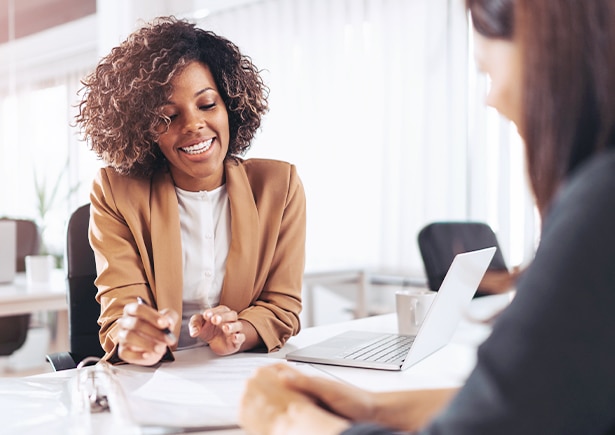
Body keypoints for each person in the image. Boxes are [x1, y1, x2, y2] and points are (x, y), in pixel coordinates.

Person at [239, 0, 615, 433]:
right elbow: (533, 405)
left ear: (552, 49)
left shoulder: (602, 205)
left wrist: (285, 419)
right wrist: (372, 408)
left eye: (487, 73)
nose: (492, 98)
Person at [75, 17, 306, 366]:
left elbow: (281, 306)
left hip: (240, 374)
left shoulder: (278, 186)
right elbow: (120, 311)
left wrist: (239, 333)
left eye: (207, 104)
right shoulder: (115, 192)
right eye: (168, 117)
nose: (194, 125)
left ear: (230, 105)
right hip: (152, 381)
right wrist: (135, 337)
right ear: (144, 131)